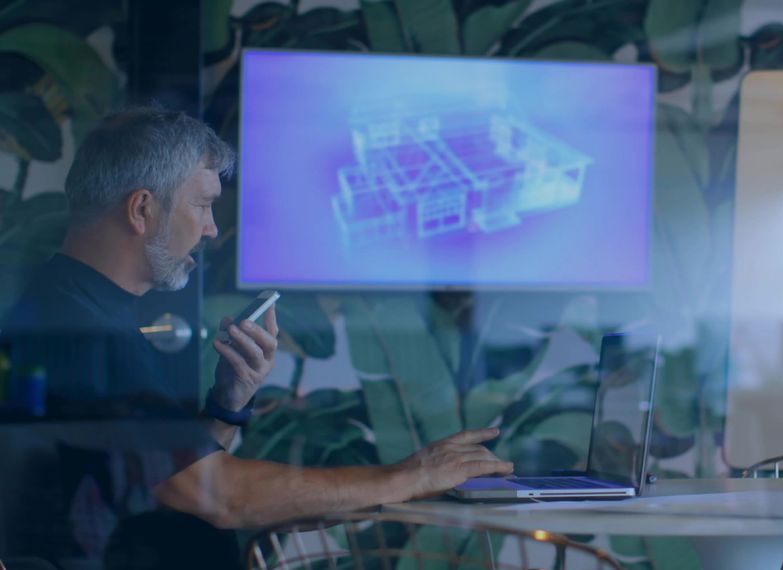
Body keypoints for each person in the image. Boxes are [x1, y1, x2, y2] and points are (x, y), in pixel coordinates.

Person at [1, 107, 513, 564]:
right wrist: (411, 476)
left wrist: (228, 403)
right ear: (142, 209)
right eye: (201, 206)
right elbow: (220, 496)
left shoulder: (74, 309)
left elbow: (162, 476)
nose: (210, 230)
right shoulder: (84, 333)